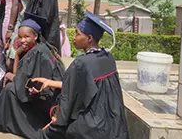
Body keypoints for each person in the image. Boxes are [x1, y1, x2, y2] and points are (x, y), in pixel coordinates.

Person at [36, 11, 128, 139]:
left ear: (89, 38)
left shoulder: (81, 63)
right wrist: (50, 82)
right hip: (115, 123)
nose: (73, 37)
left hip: (92, 127)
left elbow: (67, 97)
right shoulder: (108, 57)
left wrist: (56, 120)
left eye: (77, 33)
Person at [0, 13, 65, 139]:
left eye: (27, 36)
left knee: (9, 89)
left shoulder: (37, 53)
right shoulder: (39, 48)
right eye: (20, 37)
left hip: (47, 101)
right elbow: (20, 76)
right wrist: (17, 55)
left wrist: (9, 75)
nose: (23, 40)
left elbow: (24, 82)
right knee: (11, 87)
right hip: (44, 95)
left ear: (35, 36)